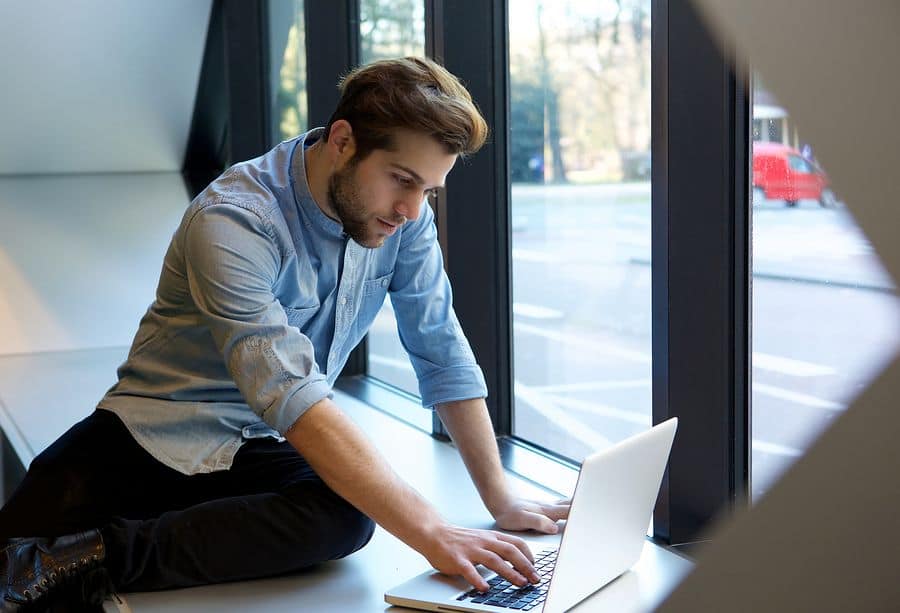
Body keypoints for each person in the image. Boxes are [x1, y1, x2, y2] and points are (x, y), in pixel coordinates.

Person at [0, 57, 569, 611]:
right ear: (342, 140)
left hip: (254, 446)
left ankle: (101, 557)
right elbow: (293, 396)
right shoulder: (234, 218)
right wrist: (433, 532)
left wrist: (500, 497)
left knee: (343, 515)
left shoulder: (403, 220)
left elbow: (440, 345)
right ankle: (64, 559)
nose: (411, 209)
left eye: (428, 191)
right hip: (147, 443)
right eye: (402, 180)